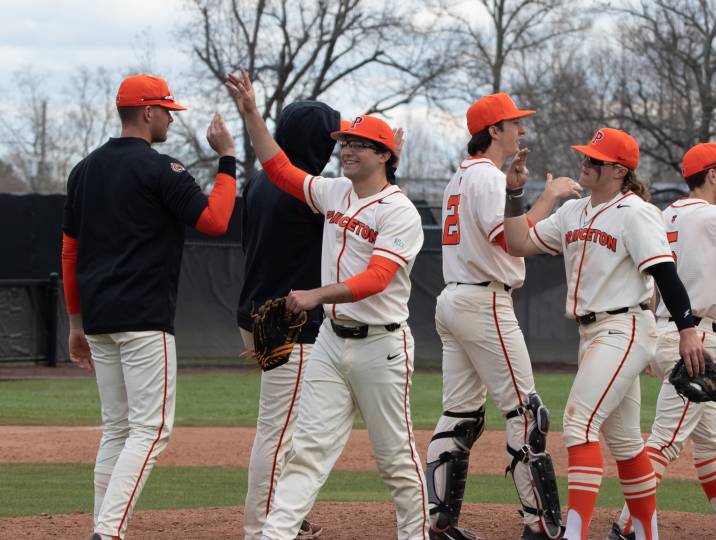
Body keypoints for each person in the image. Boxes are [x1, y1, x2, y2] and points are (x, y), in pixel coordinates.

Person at [226, 70, 429, 539]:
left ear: (384, 154)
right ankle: (274, 534)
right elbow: (278, 169)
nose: (347, 148)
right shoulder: (333, 191)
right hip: (331, 345)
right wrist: (253, 114)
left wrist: (316, 295)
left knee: (396, 458)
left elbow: (379, 277)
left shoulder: (399, 211)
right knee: (307, 452)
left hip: (383, 348)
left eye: (359, 142)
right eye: (344, 140)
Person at [502, 127, 709, 540]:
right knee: (627, 443)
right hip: (592, 333)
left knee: (578, 424)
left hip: (626, 326)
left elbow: (665, 272)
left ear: (618, 170)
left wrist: (688, 329)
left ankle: (575, 534)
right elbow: (517, 242)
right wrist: (515, 194)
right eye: (584, 155)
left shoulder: (635, 211)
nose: (584, 162)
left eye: (593, 159)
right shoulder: (573, 211)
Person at [61, 73, 238, 540]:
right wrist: (227, 160)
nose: (171, 120)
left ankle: (103, 527)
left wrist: (75, 322)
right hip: (143, 317)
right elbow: (216, 221)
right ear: (147, 112)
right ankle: (110, 532)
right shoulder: (161, 169)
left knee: (117, 429)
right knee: (150, 430)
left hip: (99, 318)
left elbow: (70, 252)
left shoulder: (83, 169)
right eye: (167, 111)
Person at [427, 93, 581, 540]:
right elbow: (511, 240)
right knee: (527, 414)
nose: (522, 130)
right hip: (484, 302)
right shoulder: (487, 179)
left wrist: (515, 191)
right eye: (514, 123)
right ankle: (540, 525)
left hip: (454, 300)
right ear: (493, 130)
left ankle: (439, 521)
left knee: (460, 414)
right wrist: (548, 196)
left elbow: (498, 228)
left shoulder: (461, 178)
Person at [610, 142, 716, 540]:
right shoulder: (715, 217)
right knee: (665, 443)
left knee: (707, 443)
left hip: (663, 329)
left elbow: (652, 280)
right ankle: (624, 527)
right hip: (693, 339)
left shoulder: (663, 214)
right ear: (712, 174)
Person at [237, 101, 342, 540]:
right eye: (331, 136)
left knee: (290, 432)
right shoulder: (307, 189)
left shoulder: (261, 183)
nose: (336, 146)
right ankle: (262, 527)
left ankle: (285, 517)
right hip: (292, 323)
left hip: (262, 313)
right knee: (279, 434)